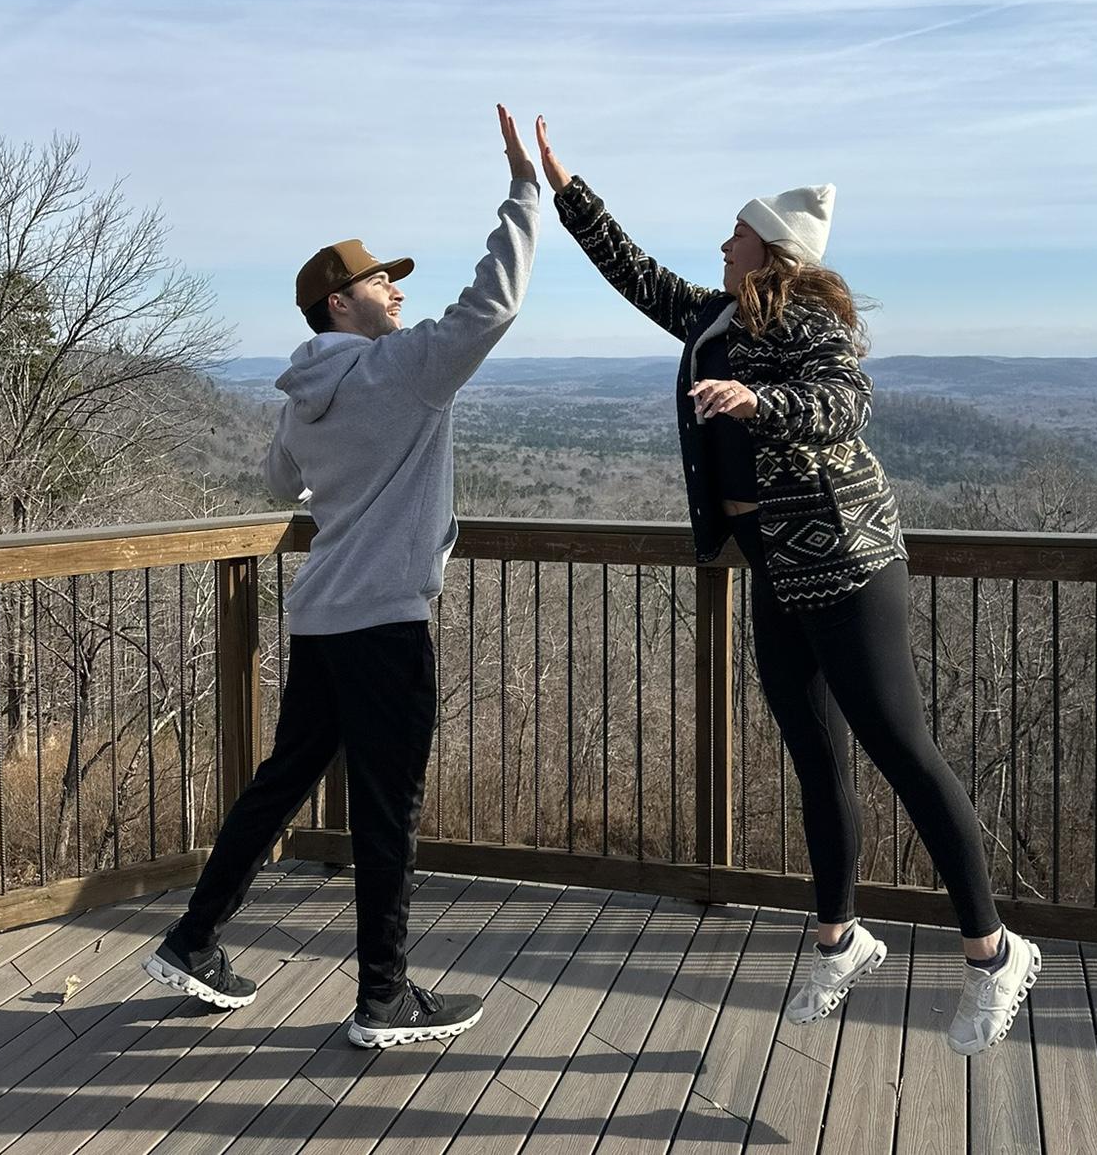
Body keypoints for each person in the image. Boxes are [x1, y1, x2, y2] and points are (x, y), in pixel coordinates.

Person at [538, 120, 1039, 1056]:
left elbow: (846, 402)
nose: (722, 245)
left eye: (736, 234)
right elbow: (633, 272)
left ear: (771, 250)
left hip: (849, 563)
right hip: (777, 564)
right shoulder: (717, 319)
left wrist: (760, 401)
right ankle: (840, 941)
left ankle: (994, 952)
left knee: (903, 750)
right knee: (814, 755)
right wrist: (568, 190)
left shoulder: (808, 322)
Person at [144, 106, 541, 1050]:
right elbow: (493, 304)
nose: (396, 292)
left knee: (282, 783)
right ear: (339, 304)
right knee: (388, 812)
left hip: (322, 617)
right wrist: (526, 193)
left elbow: (280, 482)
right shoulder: (400, 371)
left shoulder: (301, 396)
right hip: (387, 623)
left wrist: (338, 477)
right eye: (379, 281)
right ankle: (383, 998)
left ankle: (194, 939)